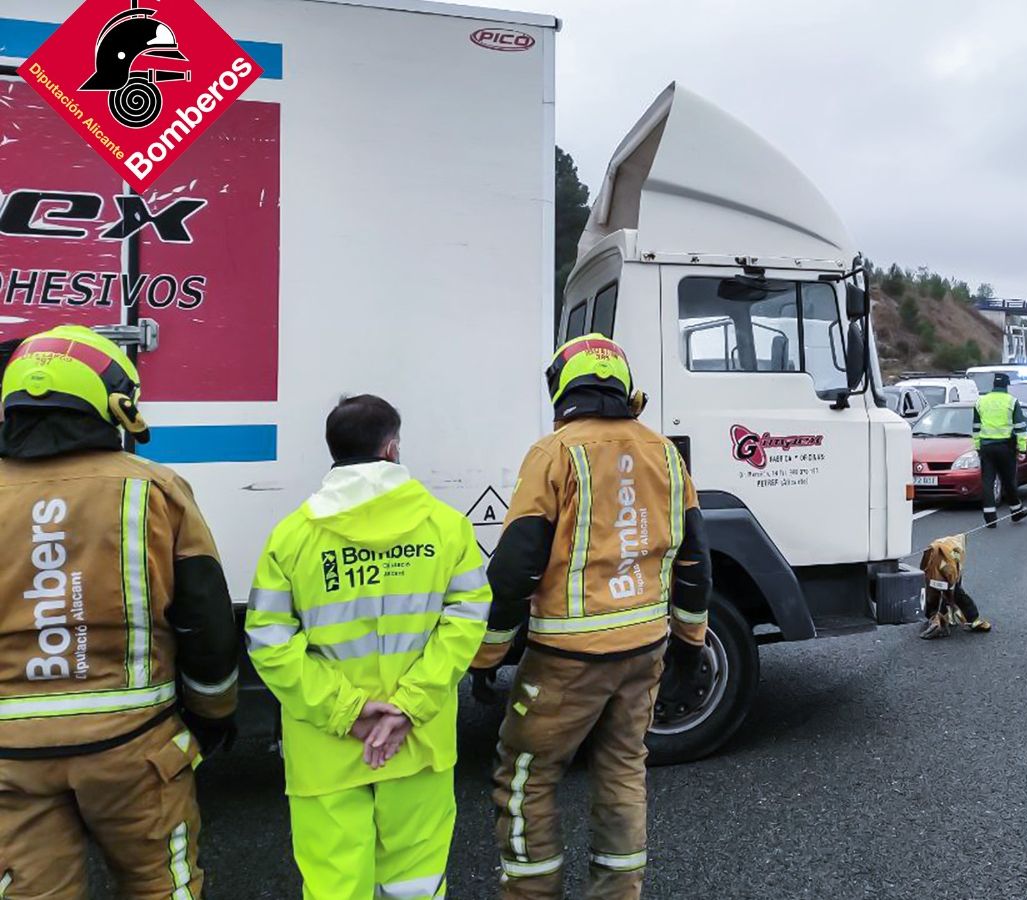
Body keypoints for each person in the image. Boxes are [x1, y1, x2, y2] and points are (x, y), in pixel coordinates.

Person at [0, 325, 238, 898]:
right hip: (135, 748)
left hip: (11, 759)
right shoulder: (156, 490)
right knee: (160, 888)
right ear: (116, 405)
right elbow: (205, 621)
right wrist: (213, 715)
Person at [476, 334, 711, 900]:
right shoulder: (665, 454)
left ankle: (532, 894)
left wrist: (488, 654)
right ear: (624, 387)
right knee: (623, 769)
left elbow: (514, 569)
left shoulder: (554, 454)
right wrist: (690, 643)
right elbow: (695, 562)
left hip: (565, 660)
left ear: (562, 387)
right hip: (644, 651)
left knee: (526, 775)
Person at [245, 394, 490, 899]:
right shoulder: (447, 527)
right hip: (418, 741)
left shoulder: (291, 537)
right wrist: (408, 706)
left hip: (325, 749)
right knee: (415, 882)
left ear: (333, 450)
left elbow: (268, 641)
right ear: (392, 448)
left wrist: (349, 712)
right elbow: (467, 620)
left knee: (335, 885)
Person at [970, 372, 1027, 527]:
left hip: (986, 447)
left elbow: (976, 427)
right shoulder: (1011, 401)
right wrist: (1022, 449)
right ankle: (1016, 511)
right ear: (1006, 385)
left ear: (994, 385)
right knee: (1009, 480)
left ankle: (990, 518)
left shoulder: (981, 401)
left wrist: (978, 447)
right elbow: (1020, 427)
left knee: (988, 482)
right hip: (1005, 446)